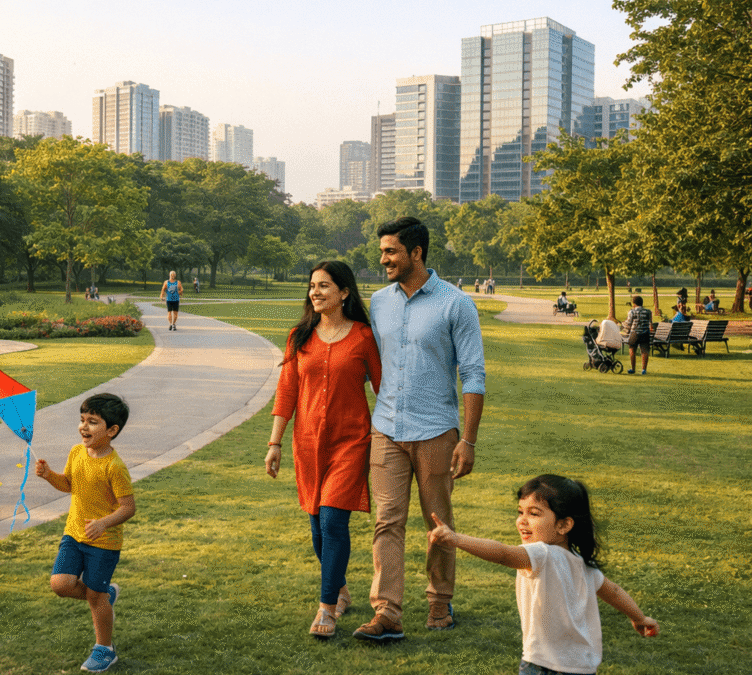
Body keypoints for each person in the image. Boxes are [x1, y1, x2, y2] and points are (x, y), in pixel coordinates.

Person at [355, 216, 485, 641]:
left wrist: (468, 440)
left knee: (438, 522)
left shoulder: (456, 303)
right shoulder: (378, 302)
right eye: (382, 252)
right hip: (387, 428)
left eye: (391, 251)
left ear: (416, 253)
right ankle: (387, 612)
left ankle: (439, 604)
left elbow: (474, 374)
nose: (383, 259)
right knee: (386, 522)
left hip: (436, 432)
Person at [428, 475, 658, 674]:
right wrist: (639, 617)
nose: (522, 521)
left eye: (534, 513)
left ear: (564, 525)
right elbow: (614, 591)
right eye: (520, 512)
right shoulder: (582, 563)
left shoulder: (541, 554)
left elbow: (502, 554)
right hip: (583, 666)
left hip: (544, 666)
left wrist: (457, 539)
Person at [266, 261, 381, 640]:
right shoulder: (300, 336)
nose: (315, 292)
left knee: (333, 521)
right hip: (308, 443)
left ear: (344, 292)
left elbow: (384, 388)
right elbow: (287, 391)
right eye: (312, 286)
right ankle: (342, 589)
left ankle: (327, 607)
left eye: (324, 286)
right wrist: (274, 442)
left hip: (351, 442)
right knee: (317, 525)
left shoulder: (364, 336)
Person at [35, 394, 136, 673]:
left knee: (94, 597)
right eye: (82, 420)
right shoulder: (76, 452)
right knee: (60, 584)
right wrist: (49, 475)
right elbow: (69, 484)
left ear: (112, 431)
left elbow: (128, 508)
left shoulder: (115, 467)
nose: (84, 427)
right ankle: (103, 596)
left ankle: (105, 649)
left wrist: (104, 522)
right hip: (74, 533)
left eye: (93, 422)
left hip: (103, 542)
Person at [623, 296, 652, 375]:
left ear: (634, 303)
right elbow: (650, 323)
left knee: (632, 349)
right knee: (645, 351)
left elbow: (629, 323)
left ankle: (633, 368)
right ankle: (644, 370)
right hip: (645, 333)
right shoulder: (648, 311)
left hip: (634, 333)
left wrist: (623, 325)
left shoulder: (631, 312)